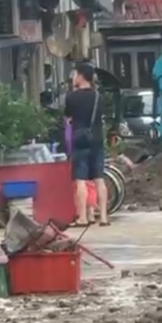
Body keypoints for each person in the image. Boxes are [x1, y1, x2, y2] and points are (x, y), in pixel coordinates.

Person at [64, 62, 108, 227]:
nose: (73, 77)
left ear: (81, 76)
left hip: (80, 140)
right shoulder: (98, 97)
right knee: (99, 178)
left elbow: (68, 117)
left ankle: (82, 217)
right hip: (97, 140)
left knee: (81, 180)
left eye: (75, 74)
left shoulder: (71, 97)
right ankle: (103, 217)